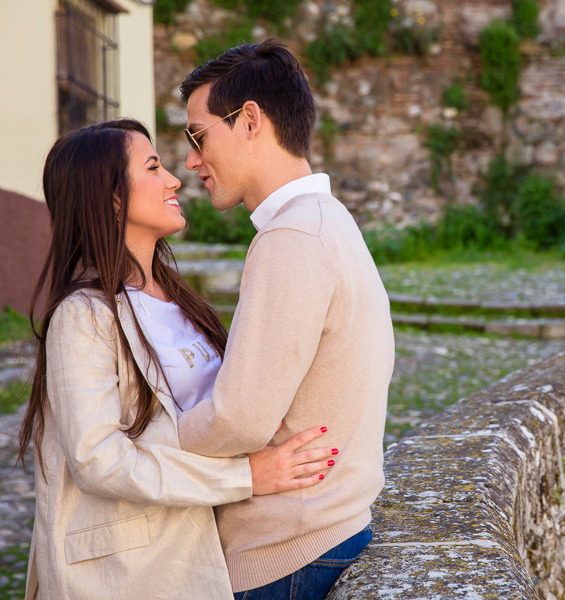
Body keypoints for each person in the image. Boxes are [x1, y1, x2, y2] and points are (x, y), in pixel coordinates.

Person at [17, 119, 339, 600]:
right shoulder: (82, 317)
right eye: (153, 167)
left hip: (199, 551)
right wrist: (245, 477)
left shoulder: (180, 297)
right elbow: (98, 460)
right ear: (111, 197)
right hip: (126, 575)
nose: (174, 179)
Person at [176, 40, 395, 600]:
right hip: (322, 531)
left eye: (197, 136)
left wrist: (140, 443)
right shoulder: (327, 221)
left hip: (287, 551)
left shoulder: (292, 237)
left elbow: (240, 417)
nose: (190, 161)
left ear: (249, 120)